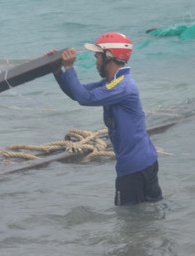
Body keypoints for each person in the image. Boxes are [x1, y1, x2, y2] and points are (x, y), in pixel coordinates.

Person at [52, 32, 162, 206]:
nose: (96, 62)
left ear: (109, 56)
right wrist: (58, 72)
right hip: (145, 161)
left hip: (133, 168)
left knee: (128, 221)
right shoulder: (113, 83)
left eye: (97, 57)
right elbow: (77, 93)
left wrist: (70, 67)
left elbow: (84, 99)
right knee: (151, 212)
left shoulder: (122, 86)